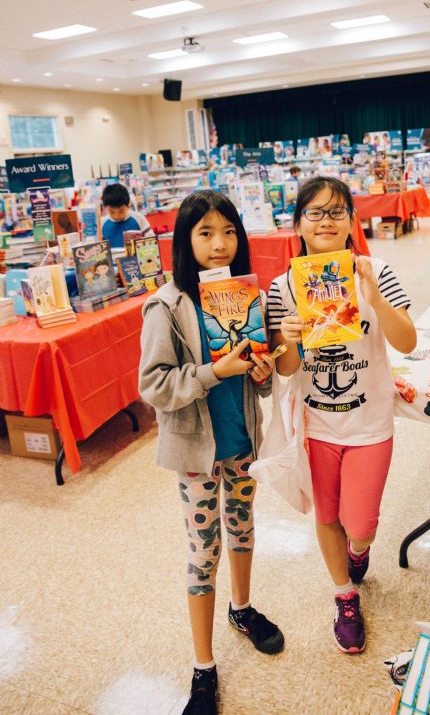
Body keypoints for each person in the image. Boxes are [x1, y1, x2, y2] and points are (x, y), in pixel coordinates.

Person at [139, 191, 283, 715]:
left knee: (242, 527)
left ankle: (241, 609)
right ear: (186, 240)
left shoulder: (249, 296)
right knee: (203, 551)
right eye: (205, 233)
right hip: (195, 453)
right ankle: (203, 666)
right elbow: (153, 385)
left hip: (241, 442)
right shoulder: (166, 305)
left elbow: (260, 380)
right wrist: (212, 372)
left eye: (229, 232)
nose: (220, 244)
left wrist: (262, 372)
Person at [266, 177, 416, 655]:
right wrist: (288, 338)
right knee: (327, 514)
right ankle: (344, 596)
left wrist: (374, 298)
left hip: (369, 423)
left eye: (337, 212)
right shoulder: (283, 287)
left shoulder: (377, 271)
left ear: (352, 221)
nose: (326, 221)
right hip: (316, 427)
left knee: (362, 524)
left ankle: (359, 550)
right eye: (315, 212)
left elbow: (407, 341)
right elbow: (285, 369)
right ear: (298, 224)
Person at [101, 183, 153, 249]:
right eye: (111, 212)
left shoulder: (139, 218)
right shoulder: (102, 223)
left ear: (128, 204)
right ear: (105, 208)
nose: (117, 216)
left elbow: (151, 241)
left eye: (121, 211)